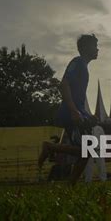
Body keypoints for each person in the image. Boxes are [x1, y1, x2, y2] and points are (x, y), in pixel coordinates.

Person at [37, 34, 99, 185]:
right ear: (84, 48)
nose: (98, 49)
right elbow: (64, 84)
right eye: (94, 45)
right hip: (71, 111)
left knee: (87, 150)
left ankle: (71, 184)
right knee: (88, 149)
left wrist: (86, 114)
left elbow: (78, 95)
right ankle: (50, 147)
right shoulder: (77, 63)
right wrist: (73, 111)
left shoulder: (83, 67)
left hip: (77, 111)